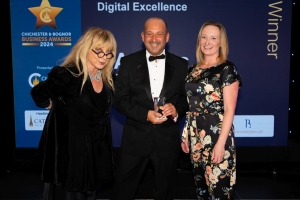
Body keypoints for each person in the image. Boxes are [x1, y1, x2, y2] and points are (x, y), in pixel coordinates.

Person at [30, 27, 117, 200]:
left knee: (91, 194)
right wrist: (51, 105)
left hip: (95, 149)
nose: (104, 57)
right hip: (70, 153)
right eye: (99, 51)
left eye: (108, 53)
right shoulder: (67, 75)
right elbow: (38, 93)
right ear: (85, 48)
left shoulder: (109, 78)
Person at [111, 17, 189, 200]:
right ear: (142, 36)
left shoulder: (181, 65)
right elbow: (120, 100)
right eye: (149, 33)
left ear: (167, 37)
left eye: (159, 34)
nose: (154, 39)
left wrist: (176, 109)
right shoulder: (128, 63)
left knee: (164, 192)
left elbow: (188, 100)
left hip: (167, 141)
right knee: (123, 191)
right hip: (135, 139)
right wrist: (146, 115)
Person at [181, 20, 242, 200]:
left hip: (217, 135)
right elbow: (190, 105)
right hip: (196, 136)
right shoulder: (193, 70)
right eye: (204, 37)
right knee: (201, 189)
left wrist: (221, 143)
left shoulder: (227, 69)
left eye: (213, 38)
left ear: (220, 42)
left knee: (219, 190)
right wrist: (186, 134)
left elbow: (230, 109)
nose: (207, 42)